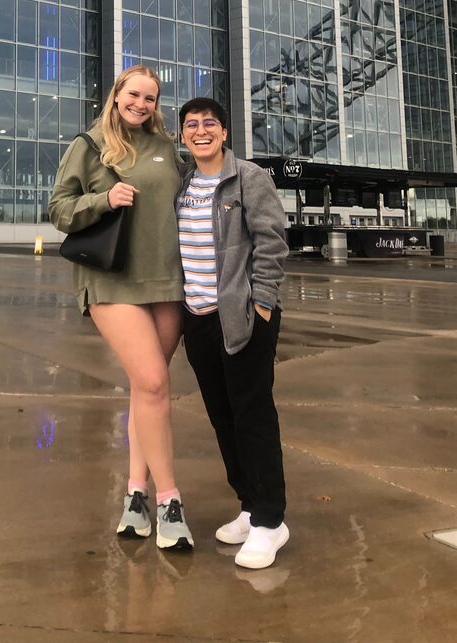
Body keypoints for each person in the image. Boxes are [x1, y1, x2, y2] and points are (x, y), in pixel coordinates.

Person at [49, 65, 193, 552]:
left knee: (145, 390)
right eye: (134, 94)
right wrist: (104, 199)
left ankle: (135, 494)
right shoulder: (89, 146)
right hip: (111, 279)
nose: (141, 104)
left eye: (151, 98)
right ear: (117, 95)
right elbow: (59, 211)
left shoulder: (170, 149)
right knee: (154, 382)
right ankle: (170, 499)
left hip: (167, 280)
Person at [176, 96, 289, 570]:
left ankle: (270, 521)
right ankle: (247, 504)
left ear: (224, 132)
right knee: (223, 417)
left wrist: (261, 303)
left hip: (242, 316)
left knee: (253, 415)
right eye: (191, 124)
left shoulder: (249, 178)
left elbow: (272, 240)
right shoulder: (182, 185)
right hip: (197, 317)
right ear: (183, 134)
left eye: (209, 123)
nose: (200, 130)